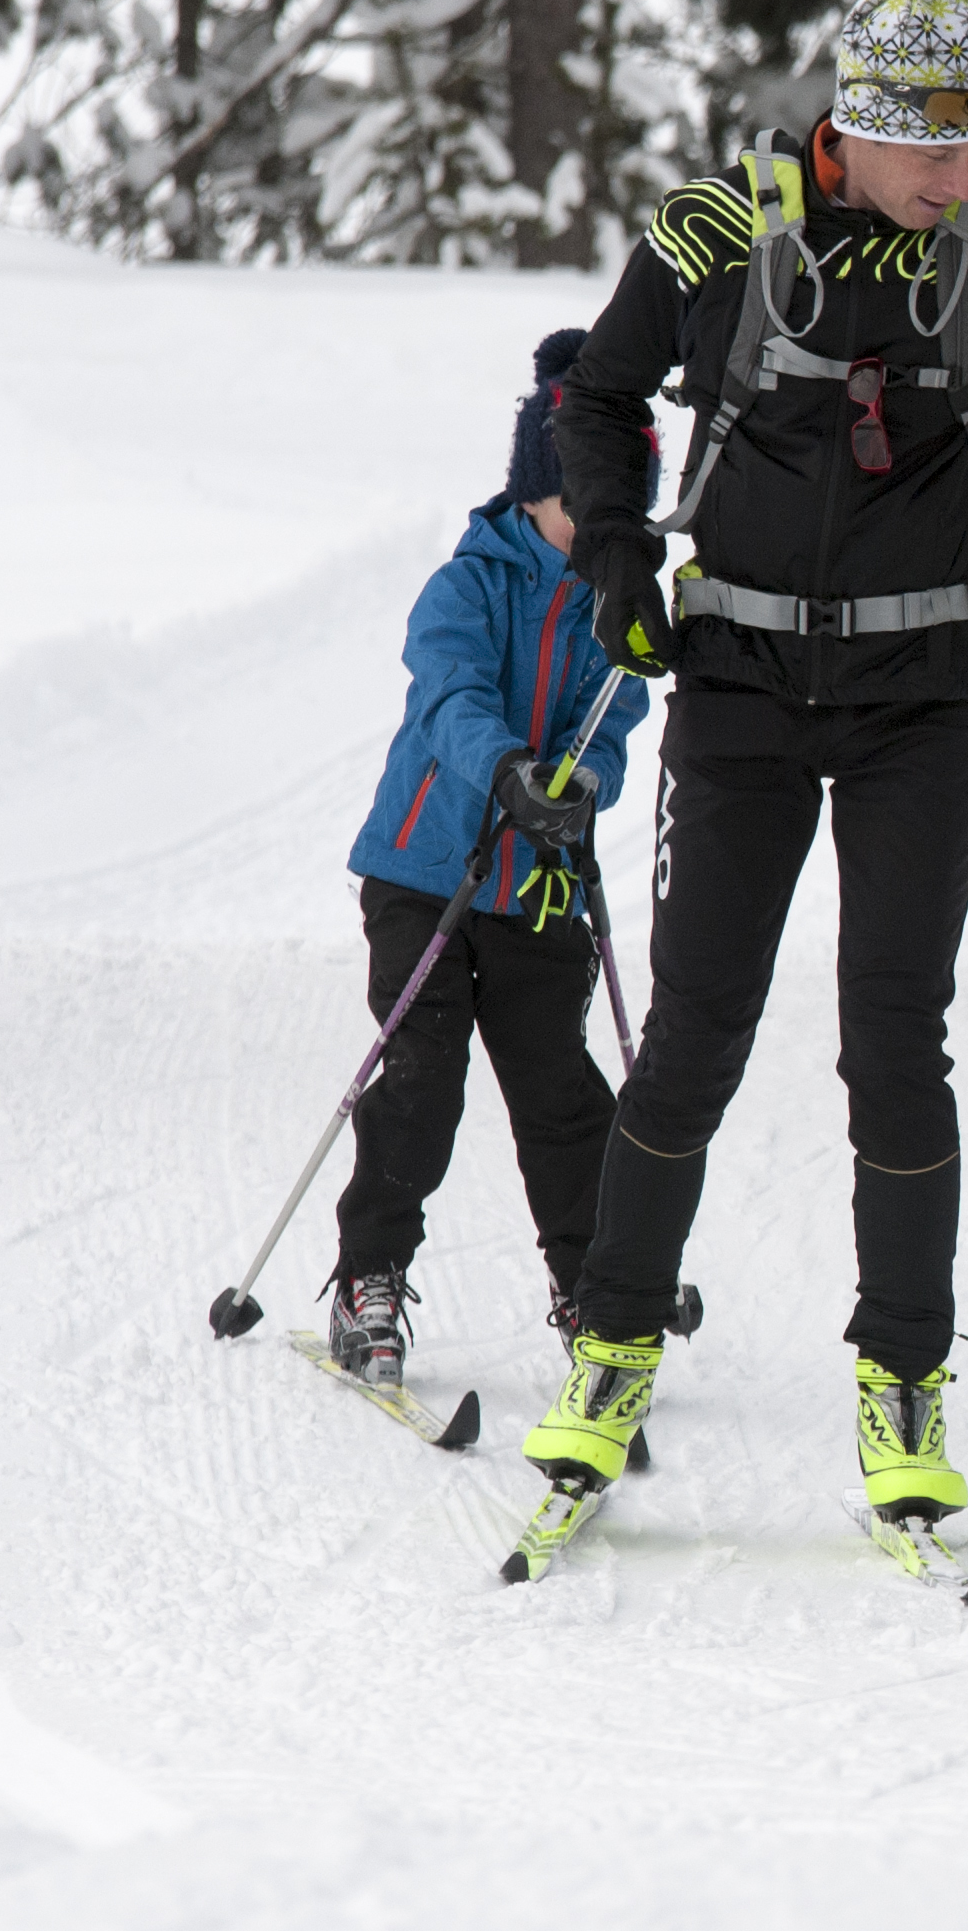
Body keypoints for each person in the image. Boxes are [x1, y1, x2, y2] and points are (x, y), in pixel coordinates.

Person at [531, 0, 968, 1528]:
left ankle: (904, 1377)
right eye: (937, 135)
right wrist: (620, 553)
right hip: (742, 687)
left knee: (895, 1040)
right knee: (695, 1031)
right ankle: (611, 1345)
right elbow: (593, 399)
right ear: (859, 114)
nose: (963, 166)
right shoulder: (713, 233)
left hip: (923, 702)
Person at [327, 328, 655, 1386]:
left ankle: (597, 1290)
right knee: (421, 1077)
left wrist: (580, 780)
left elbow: (614, 712)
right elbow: (451, 699)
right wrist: (511, 770)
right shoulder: (464, 586)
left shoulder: (615, 596)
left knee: (559, 1088)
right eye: (591, 505)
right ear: (538, 490)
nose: (608, 527)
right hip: (425, 871)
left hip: (537, 880)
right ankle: (368, 1276)